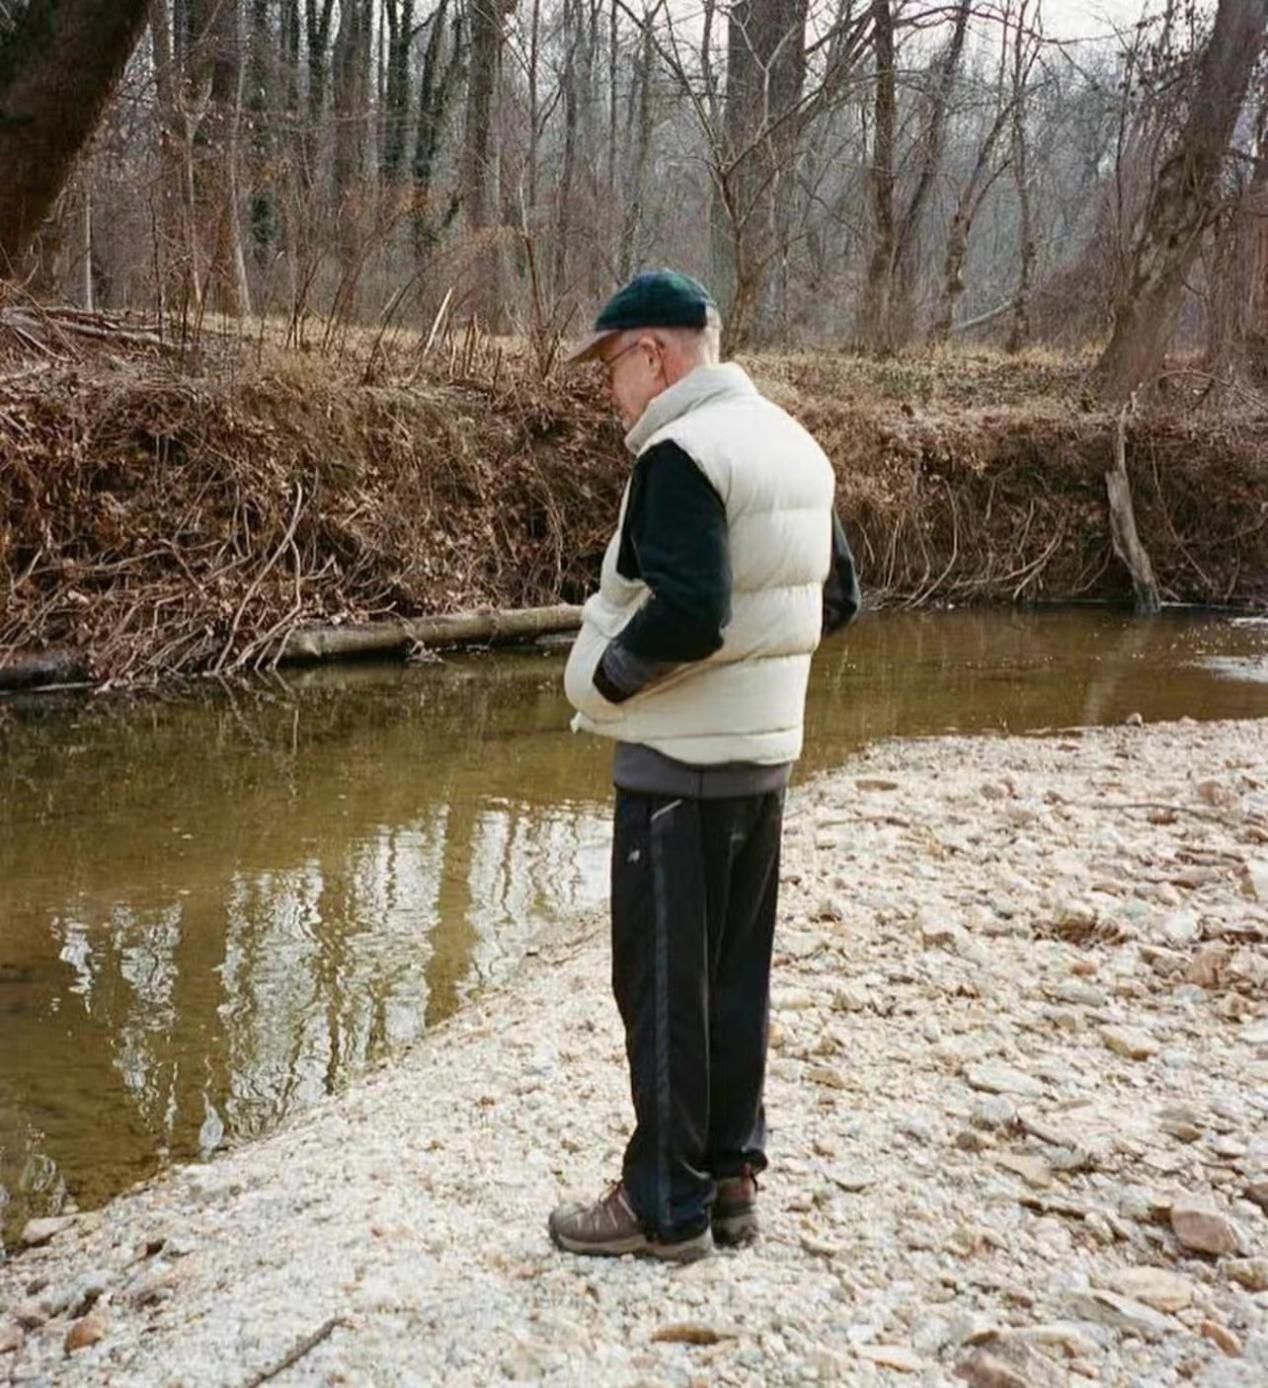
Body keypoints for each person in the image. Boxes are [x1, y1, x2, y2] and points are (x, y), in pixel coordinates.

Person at [549, 269, 859, 1262]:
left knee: (662, 989)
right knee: (733, 981)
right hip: (762, 764)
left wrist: (608, 679)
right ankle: (729, 1180)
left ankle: (663, 1206)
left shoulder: (681, 453)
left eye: (611, 364)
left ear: (654, 353)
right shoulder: (792, 444)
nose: (609, 390)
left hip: (676, 769)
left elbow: (690, 611)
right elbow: (838, 599)